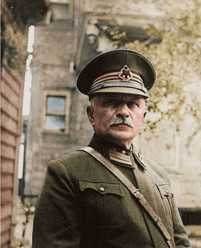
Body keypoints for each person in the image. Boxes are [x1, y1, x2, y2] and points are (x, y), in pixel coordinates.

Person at [32, 49, 190, 248]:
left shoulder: (159, 175)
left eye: (132, 104)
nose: (124, 112)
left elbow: (181, 242)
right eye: (112, 102)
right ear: (91, 114)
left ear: (142, 117)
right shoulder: (66, 173)